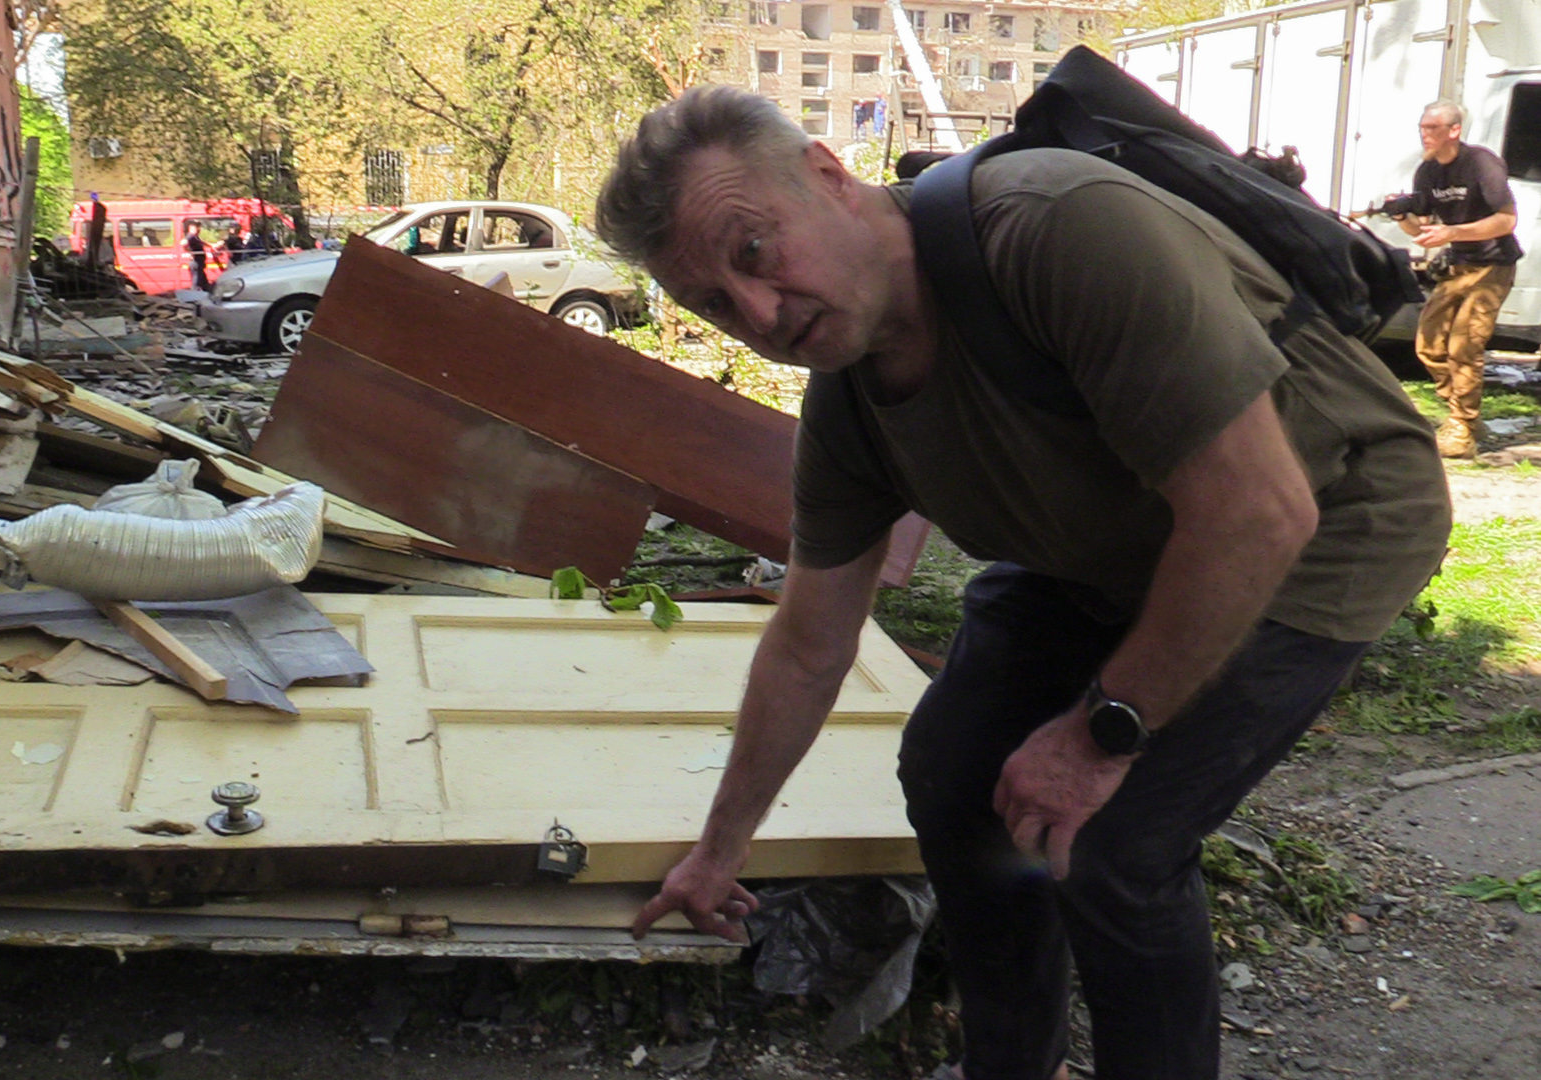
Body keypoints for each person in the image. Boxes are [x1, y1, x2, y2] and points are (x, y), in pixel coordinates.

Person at [596, 87, 1451, 1080]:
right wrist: (719, 849)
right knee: (950, 773)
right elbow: (810, 640)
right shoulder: (852, 401)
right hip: (1112, 538)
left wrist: (1097, 736)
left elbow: (1259, 515)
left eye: (752, 253)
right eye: (711, 304)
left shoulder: (1054, 232)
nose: (758, 315)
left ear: (828, 177)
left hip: (1321, 521)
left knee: (1119, 846)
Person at [1393, 99, 1523, 458]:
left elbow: (1506, 220)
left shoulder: (1481, 163)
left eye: (1433, 128)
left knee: (1464, 345)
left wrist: (1451, 233)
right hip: (1458, 266)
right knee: (1429, 344)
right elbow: (1419, 229)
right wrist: (1401, 216)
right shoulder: (1428, 173)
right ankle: (1464, 413)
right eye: (1422, 127)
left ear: (1454, 131)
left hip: (1493, 265)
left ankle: (1462, 427)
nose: (1425, 134)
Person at [183, 220, 211, 291]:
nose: (199, 229)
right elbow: (184, 243)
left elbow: (202, 242)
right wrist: (189, 252)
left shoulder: (195, 237)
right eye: (197, 227)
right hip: (196, 262)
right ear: (191, 227)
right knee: (196, 281)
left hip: (199, 262)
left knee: (203, 280)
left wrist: (212, 245)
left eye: (199, 227)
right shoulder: (191, 236)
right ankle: (194, 295)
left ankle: (206, 291)